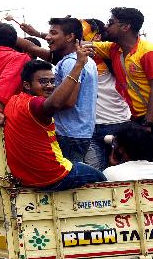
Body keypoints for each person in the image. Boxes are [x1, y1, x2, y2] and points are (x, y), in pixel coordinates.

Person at [4, 48, 106, 190]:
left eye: (53, 81)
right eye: (43, 82)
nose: (50, 86)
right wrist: (78, 66)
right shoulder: (34, 104)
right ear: (27, 85)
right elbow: (55, 103)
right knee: (102, 179)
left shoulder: (13, 101)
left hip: (29, 179)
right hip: (54, 175)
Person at [90, 7, 153, 162]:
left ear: (126, 27)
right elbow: (82, 45)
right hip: (140, 118)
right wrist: (40, 35)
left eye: (111, 22)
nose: (106, 26)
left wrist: (147, 124)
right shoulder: (114, 49)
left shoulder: (150, 52)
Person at [12, 17, 98, 164]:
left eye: (53, 33)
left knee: (67, 180)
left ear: (70, 37)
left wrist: (40, 107)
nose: (47, 37)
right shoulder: (83, 60)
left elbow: (69, 101)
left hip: (67, 134)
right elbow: (32, 48)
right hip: (79, 131)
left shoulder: (71, 63)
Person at [81, 19, 131, 169]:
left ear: (96, 38)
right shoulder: (81, 60)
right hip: (94, 127)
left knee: (110, 175)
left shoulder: (109, 59)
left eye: (79, 34)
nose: (75, 39)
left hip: (118, 126)